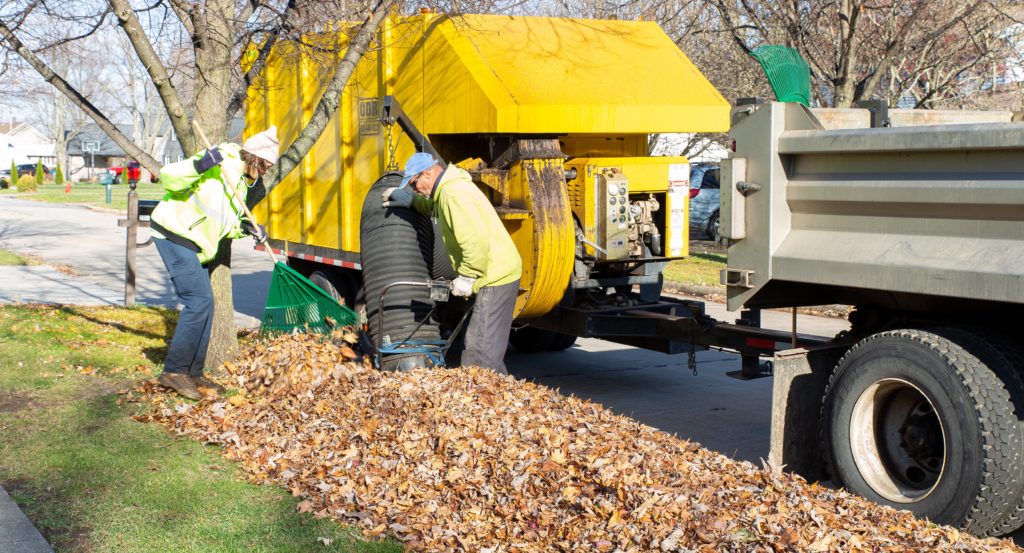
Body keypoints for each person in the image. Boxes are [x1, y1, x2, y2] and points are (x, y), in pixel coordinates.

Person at [150, 127, 280, 399]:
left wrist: (248, 228)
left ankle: (193, 373)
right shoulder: (219, 159)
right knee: (198, 302)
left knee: (207, 305)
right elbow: (169, 178)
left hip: (198, 244)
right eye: (267, 164)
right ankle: (173, 372)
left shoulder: (242, 183)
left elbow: (225, 225)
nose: (268, 170)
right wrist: (201, 164)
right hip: (174, 232)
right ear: (255, 157)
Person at [383, 152, 522, 374]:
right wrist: (409, 200)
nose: (415, 188)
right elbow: (433, 208)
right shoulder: (446, 190)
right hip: (494, 272)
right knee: (481, 346)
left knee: (480, 355)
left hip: (494, 275)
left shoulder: (453, 194)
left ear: (427, 173)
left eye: (414, 183)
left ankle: (490, 403)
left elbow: (474, 241)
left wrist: (467, 276)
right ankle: (497, 400)